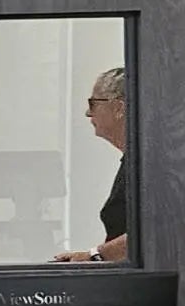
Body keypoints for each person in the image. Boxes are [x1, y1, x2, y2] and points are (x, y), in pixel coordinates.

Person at [56, 66, 132, 263]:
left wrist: (94, 256)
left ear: (119, 108)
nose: (88, 113)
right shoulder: (136, 161)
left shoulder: (149, 165)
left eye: (93, 103)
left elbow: (151, 233)